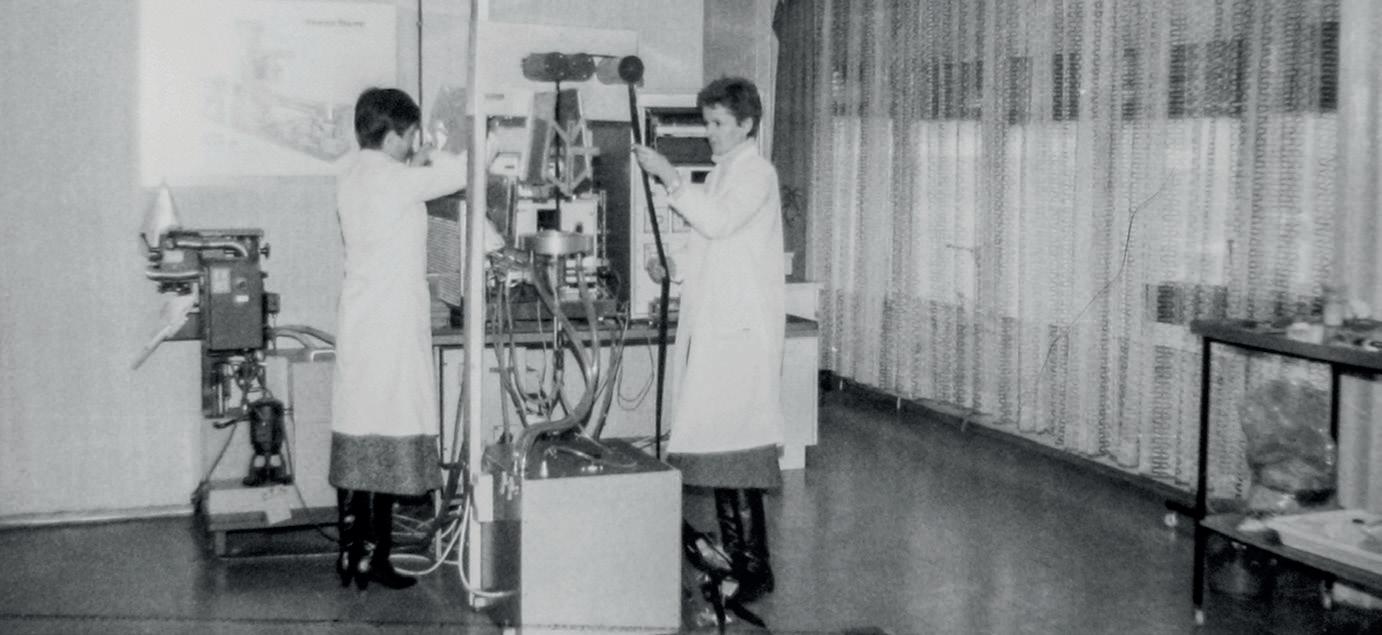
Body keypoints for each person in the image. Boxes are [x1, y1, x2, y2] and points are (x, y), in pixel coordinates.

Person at [633, 76, 786, 606]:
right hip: (720, 333)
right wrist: (671, 265)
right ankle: (738, 560)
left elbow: (719, 223)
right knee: (722, 452)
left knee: (738, 453)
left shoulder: (757, 174)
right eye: (707, 122)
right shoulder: (723, 175)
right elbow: (710, 244)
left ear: (746, 124)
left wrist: (670, 178)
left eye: (719, 123)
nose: (709, 132)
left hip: (741, 337)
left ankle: (755, 568)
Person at [329, 87, 470, 591]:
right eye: (410, 137)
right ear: (393, 137)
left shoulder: (352, 175)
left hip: (361, 324)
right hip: (389, 329)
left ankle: (353, 555)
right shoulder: (395, 180)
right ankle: (374, 558)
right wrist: (486, 137)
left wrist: (420, 160)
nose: (413, 146)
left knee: (359, 439)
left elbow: (407, 181)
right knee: (386, 442)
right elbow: (466, 171)